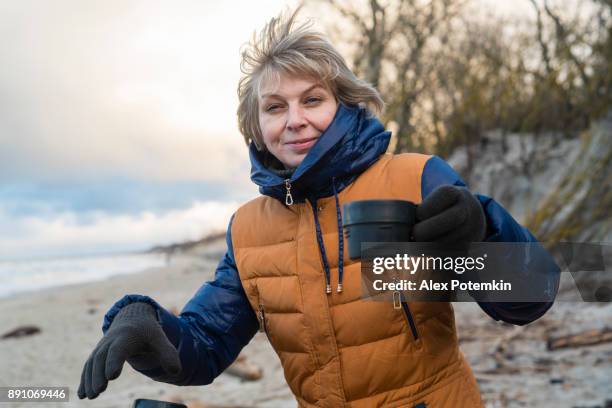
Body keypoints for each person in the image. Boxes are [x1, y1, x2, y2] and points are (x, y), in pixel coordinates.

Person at [78, 9, 560, 407]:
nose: (296, 121)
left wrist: (481, 239)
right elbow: (206, 347)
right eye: (274, 107)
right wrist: (146, 322)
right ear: (255, 127)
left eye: (312, 99)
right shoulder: (247, 229)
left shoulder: (416, 177)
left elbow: (532, 299)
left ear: (343, 104)